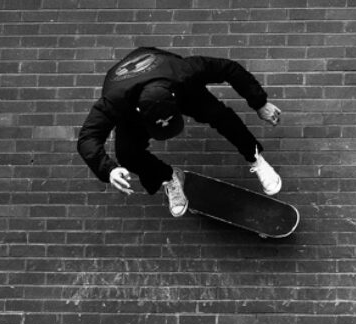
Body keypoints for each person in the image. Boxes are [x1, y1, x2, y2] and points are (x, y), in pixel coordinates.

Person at [77, 45, 284, 217]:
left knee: (220, 115)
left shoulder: (184, 72)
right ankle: (168, 177)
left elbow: (229, 68)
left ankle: (255, 158)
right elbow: (88, 138)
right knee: (127, 154)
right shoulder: (114, 101)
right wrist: (109, 169)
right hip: (133, 105)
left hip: (175, 87)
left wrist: (259, 103)